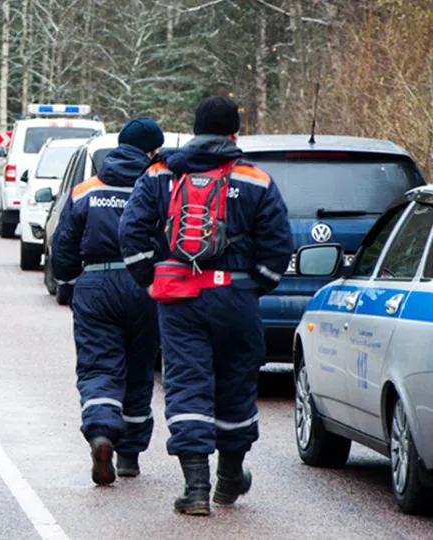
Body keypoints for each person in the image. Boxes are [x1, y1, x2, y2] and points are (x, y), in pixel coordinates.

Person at [119, 96, 292, 515]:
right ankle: (230, 477)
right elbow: (278, 247)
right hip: (236, 299)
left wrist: (151, 278)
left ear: (194, 131)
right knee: (237, 384)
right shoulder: (256, 180)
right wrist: (254, 288)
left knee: (187, 385)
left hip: (180, 300)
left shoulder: (161, 173)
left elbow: (132, 231)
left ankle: (195, 488)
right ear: (235, 134)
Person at [51, 118, 165, 486]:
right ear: (151, 152)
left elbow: (64, 244)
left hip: (96, 283)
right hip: (144, 285)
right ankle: (129, 455)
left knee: (100, 366)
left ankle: (102, 434)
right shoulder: (158, 188)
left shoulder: (87, 189)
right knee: (138, 368)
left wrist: (69, 281)